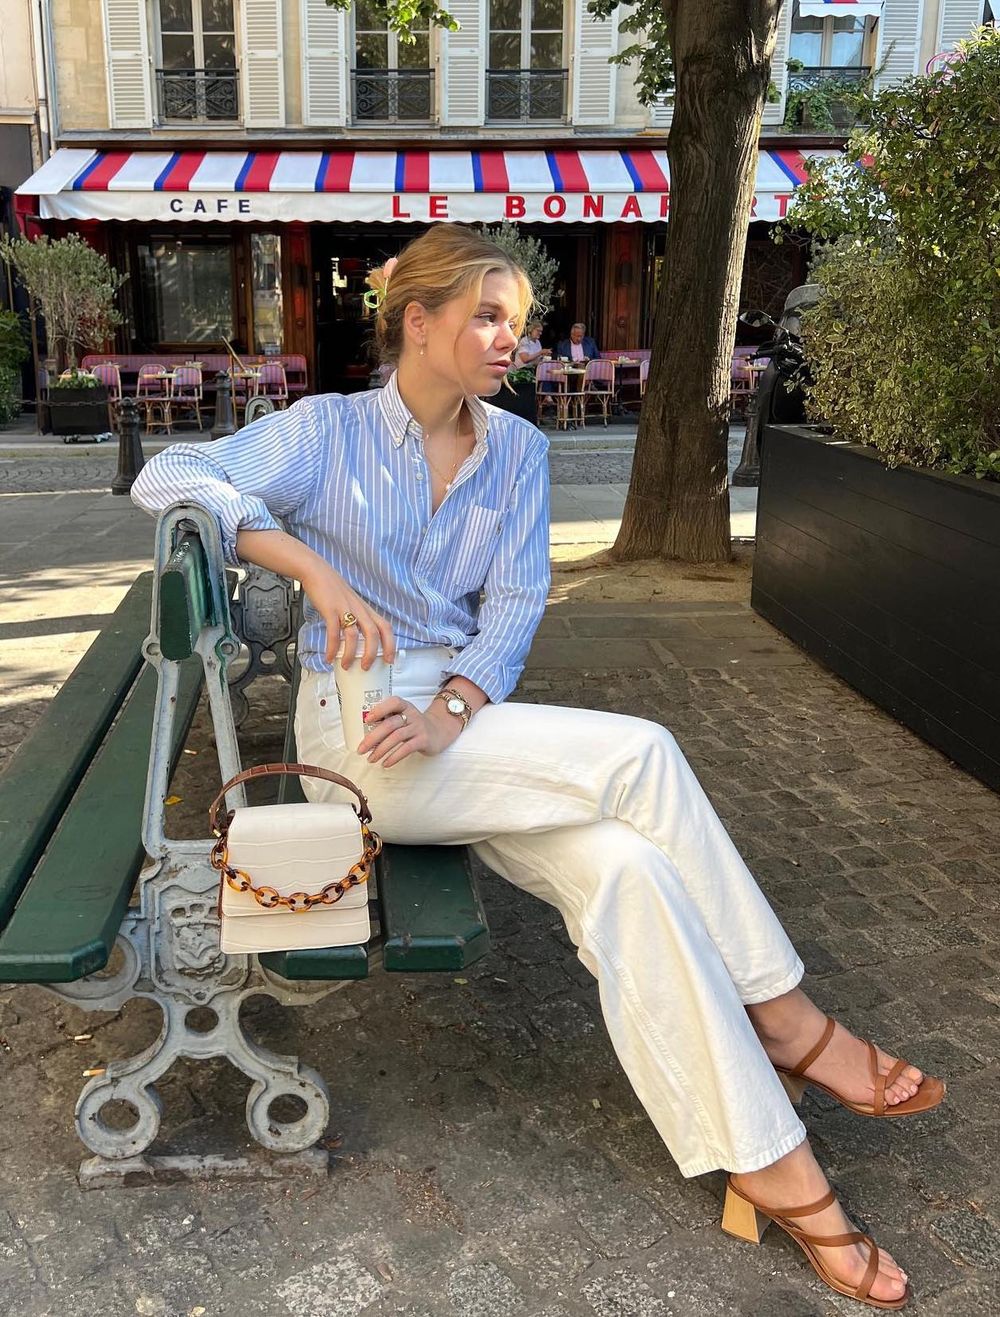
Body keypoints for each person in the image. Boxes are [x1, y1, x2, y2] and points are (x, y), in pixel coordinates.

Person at [131, 223, 942, 1312]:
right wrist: (306, 565)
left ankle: (769, 1162)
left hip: (457, 728)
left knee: (628, 872)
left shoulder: (517, 450)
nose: (512, 337)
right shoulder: (321, 434)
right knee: (643, 754)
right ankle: (792, 1023)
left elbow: (512, 606)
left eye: (518, 316)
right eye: (486, 315)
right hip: (357, 732)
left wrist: (456, 709)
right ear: (415, 322)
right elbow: (173, 473)